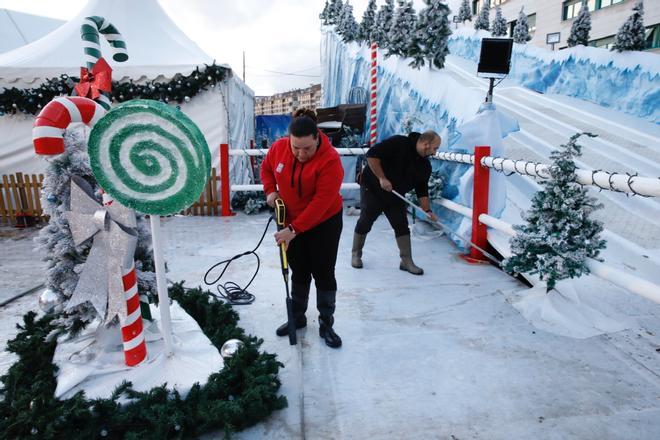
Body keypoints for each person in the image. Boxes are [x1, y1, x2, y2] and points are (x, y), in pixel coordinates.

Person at [261, 109, 344, 348]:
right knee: (299, 270)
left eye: (306, 148)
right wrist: (270, 190)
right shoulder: (279, 148)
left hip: (324, 223)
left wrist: (294, 229)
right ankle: (296, 317)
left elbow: (321, 203)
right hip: (291, 221)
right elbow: (267, 168)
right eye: (296, 147)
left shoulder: (330, 161)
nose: (300, 154)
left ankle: (326, 322)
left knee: (323, 272)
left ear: (317, 138)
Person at [351, 130, 441, 275]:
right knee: (366, 220)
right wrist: (382, 178)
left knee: (401, 225)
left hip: (395, 194)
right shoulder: (399, 143)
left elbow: (421, 189)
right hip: (373, 188)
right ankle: (356, 253)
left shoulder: (425, 166)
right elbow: (372, 155)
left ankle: (406, 261)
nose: (435, 153)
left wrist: (427, 210)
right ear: (426, 144)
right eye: (435, 148)